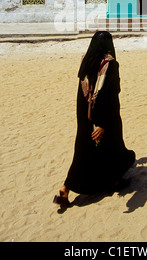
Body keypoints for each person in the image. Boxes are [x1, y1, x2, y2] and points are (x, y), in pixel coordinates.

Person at [53, 31, 136, 208]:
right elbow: (108, 95)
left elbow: (82, 90)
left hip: (84, 115)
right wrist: (103, 123)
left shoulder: (86, 59)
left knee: (83, 152)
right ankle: (114, 181)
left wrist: (87, 120)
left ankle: (65, 188)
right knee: (113, 146)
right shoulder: (110, 64)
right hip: (104, 117)